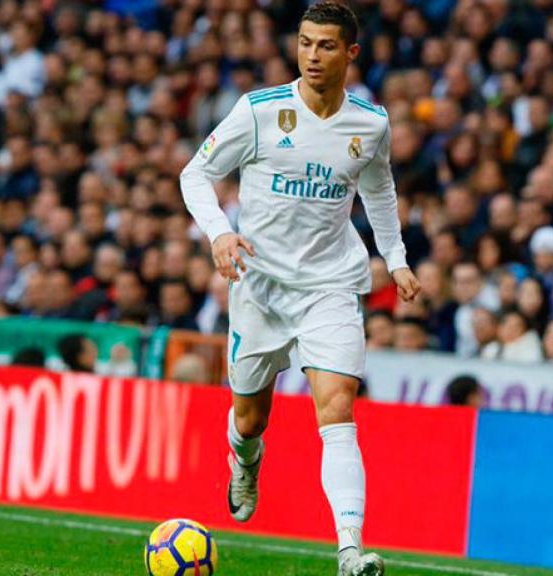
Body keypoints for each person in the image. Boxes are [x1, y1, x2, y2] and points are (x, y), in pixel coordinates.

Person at [178, 5, 420, 574]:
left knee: (337, 410)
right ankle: (245, 459)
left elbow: (379, 193)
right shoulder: (260, 112)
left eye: (326, 46)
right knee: (249, 419)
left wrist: (398, 259)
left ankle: (350, 551)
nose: (312, 56)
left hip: (330, 286)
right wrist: (220, 233)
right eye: (306, 43)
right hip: (259, 287)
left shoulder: (370, 124)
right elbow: (195, 173)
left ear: (350, 54)